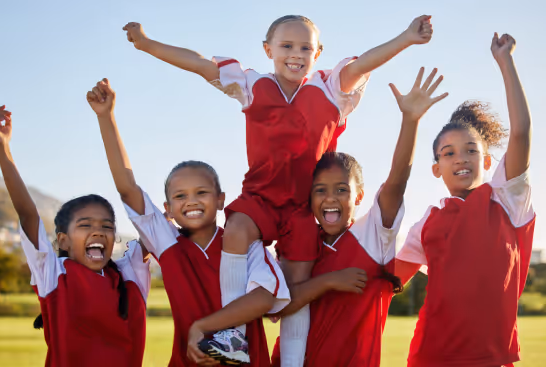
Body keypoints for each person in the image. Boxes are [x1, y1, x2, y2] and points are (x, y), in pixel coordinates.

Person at [123, 15, 433, 364]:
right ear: (268, 49)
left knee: (294, 292)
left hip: (303, 207)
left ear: (318, 53)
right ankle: (232, 337)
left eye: (306, 47)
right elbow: (199, 63)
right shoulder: (252, 84)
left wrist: (406, 37)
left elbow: (363, 63)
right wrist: (148, 44)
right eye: (286, 45)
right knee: (236, 230)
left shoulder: (330, 88)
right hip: (260, 197)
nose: (296, 53)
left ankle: (291, 362)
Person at [88, 79, 289, 366]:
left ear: (220, 200)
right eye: (180, 196)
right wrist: (106, 117)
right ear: (167, 208)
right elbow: (128, 189)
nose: (191, 201)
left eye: (201, 193)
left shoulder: (243, 241)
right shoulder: (167, 242)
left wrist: (202, 326)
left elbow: (264, 298)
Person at [270, 67, 447, 366]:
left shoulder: (373, 235)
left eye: (341, 189)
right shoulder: (298, 241)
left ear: (360, 197)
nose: (330, 198)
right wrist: (329, 281)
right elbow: (276, 308)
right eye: (320, 190)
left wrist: (410, 120)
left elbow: (396, 182)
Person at [396, 33, 534, 367]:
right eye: (449, 153)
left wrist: (505, 61)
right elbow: (388, 281)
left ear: (487, 161)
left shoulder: (506, 201)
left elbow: (521, 132)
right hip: (431, 356)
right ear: (436, 168)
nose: (461, 158)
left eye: (472, 150)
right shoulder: (427, 224)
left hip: (493, 358)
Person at [0, 106, 150, 367]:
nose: (98, 231)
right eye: (85, 225)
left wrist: (107, 116)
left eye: (107, 226)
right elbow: (28, 214)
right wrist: (2, 147)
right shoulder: (54, 274)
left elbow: (149, 218)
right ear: (63, 240)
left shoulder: (130, 275)